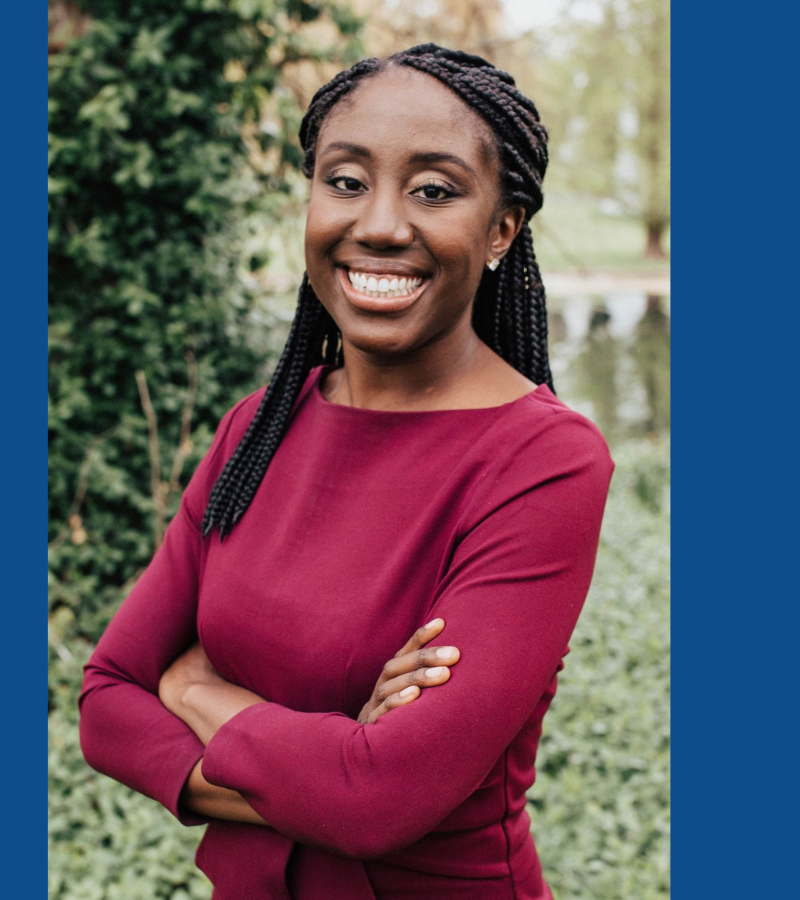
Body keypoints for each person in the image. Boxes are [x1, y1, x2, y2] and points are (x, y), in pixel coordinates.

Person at [78, 44, 612, 900]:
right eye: (346, 181)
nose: (380, 224)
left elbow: (376, 800)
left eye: (434, 190)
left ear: (501, 228)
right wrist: (324, 761)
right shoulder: (255, 430)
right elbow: (107, 703)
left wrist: (195, 691)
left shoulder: (543, 462)